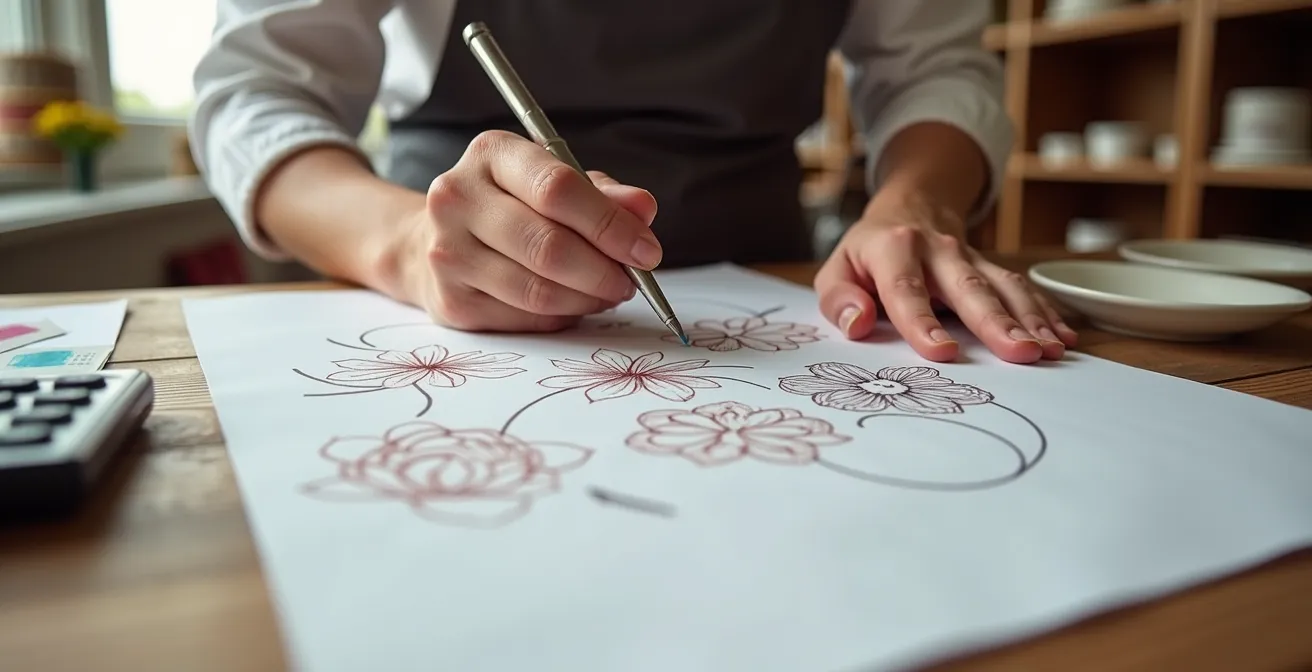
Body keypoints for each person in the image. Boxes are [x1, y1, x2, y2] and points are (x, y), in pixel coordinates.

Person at [189, 1, 1078, 365]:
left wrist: (913, 201)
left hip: (771, 270)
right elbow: (257, 91)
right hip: (453, 285)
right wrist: (406, 246)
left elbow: (936, 66)